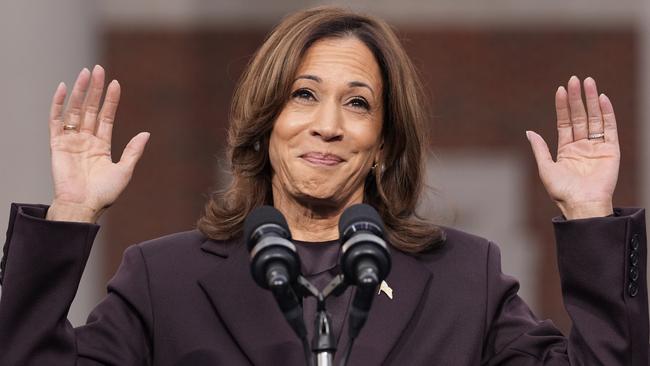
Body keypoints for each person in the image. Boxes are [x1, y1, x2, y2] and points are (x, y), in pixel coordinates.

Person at [0, 6, 647, 366]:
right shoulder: (162, 278)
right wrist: (72, 212)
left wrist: (590, 213)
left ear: (384, 142)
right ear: (265, 123)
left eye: (359, 104)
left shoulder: (463, 278)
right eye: (303, 95)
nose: (329, 126)